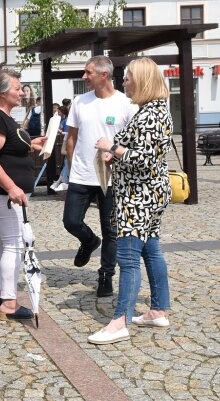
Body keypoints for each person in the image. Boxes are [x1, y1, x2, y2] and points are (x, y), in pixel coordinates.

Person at [88, 58, 173, 345]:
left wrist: (110, 147)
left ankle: (119, 321)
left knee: (127, 258)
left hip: (139, 195)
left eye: (128, 78)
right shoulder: (153, 110)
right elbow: (142, 152)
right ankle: (158, 309)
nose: (124, 82)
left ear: (143, 80)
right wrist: (117, 152)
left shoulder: (151, 114)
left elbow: (144, 159)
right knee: (151, 250)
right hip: (148, 192)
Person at [63, 56, 137, 297]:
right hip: (81, 175)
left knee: (111, 230)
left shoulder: (126, 104)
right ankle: (88, 241)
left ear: (103, 75)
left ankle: (106, 275)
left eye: (88, 72)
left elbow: (132, 143)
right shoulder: (80, 102)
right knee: (71, 221)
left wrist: (116, 156)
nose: (84, 77)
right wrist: (73, 166)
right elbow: (71, 137)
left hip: (112, 178)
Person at [0, 70, 45, 322]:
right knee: (13, 244)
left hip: (6, 193)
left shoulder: (2, 116)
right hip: (5, 194)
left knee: (1, 242)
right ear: (3, 91)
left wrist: (33, 144)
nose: (21, 92)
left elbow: (8, 148)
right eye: (17, 88)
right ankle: (9, 301)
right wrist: (11, 187)